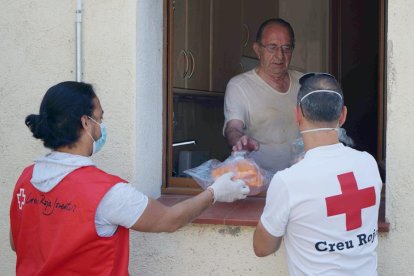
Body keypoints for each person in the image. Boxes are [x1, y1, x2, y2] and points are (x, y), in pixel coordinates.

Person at [9, 81, 250, 275]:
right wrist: (215, 193)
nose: (101, 127)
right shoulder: (106, 192)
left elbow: (16, 242)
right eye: (99, 119)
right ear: (85, 122)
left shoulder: (26, 179)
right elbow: (168, 220)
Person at [253, 73, 382, 275]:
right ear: (343, 115)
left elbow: (262, 248)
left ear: (297, 115)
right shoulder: (368, 163)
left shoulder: (288, 181)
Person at [223, 18, 303, 174]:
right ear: (257, 50)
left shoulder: (304, 83)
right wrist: (240, 141)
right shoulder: (239, 86)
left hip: (298, 181)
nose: (280, 56)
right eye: (272, 47)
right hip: (260, 184)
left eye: (286, 48)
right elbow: (233, 127)